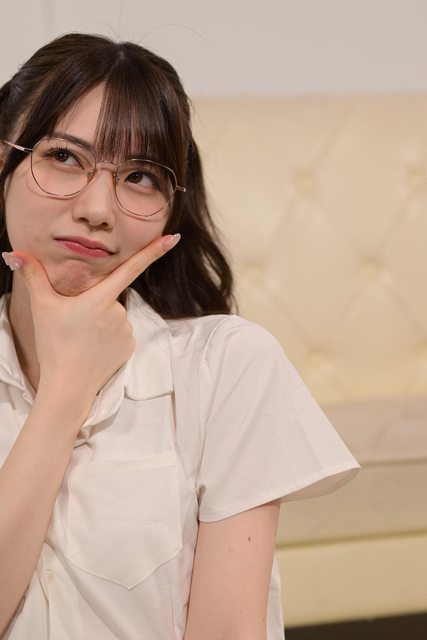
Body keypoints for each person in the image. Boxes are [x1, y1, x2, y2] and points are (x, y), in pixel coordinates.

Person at [0, 33, 359, 640]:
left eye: (140, 175)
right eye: (63, 156)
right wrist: (64, 393)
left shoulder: (227, 364)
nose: (97, 208)